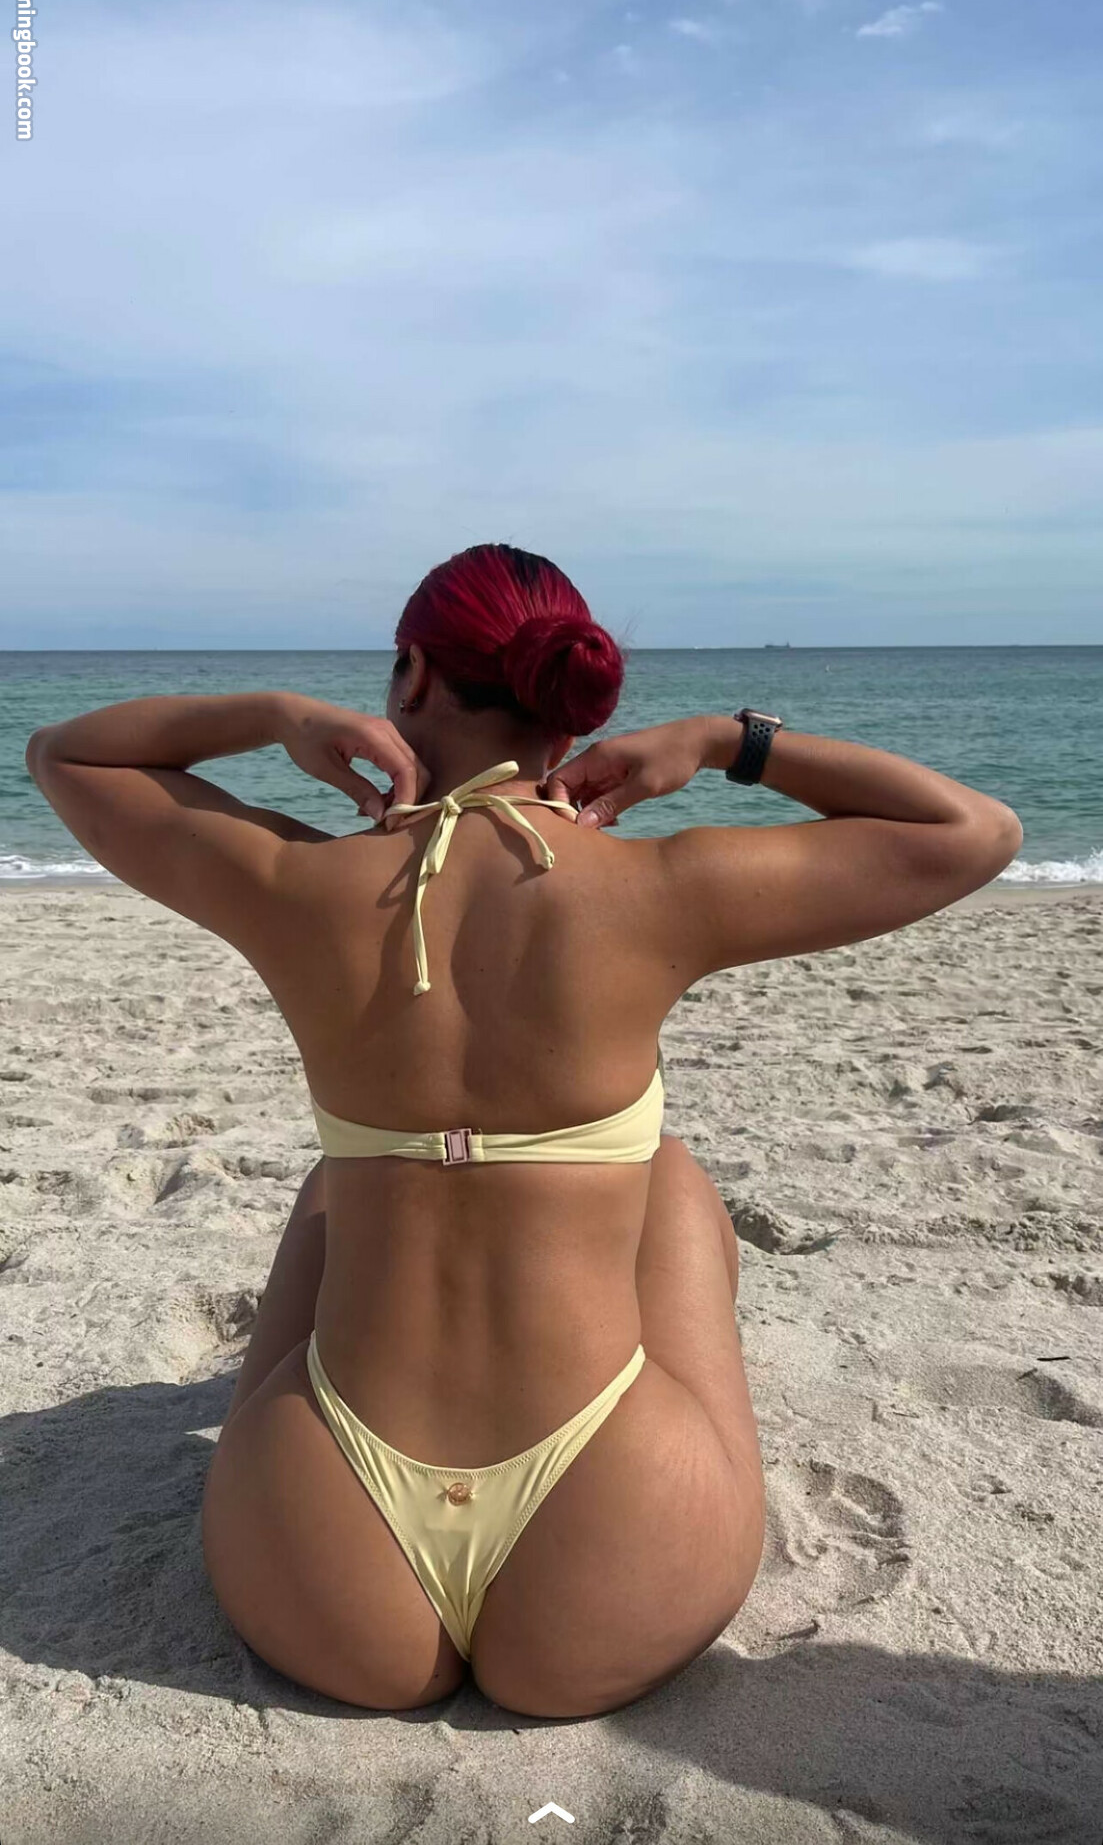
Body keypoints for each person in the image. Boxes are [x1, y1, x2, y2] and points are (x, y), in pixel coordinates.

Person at [25, 543, 1023, 1719]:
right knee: (668, 1173)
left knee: (334, 1186)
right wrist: (724, 743)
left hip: (324, 1565)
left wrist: (276, 715)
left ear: (410, 677)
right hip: (613, 1552)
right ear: (574, 699)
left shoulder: (294, 882)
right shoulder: (660, 889)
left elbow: (68, 755)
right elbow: (974, 829)